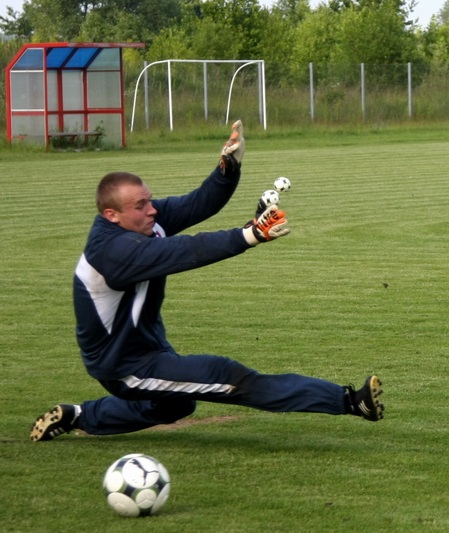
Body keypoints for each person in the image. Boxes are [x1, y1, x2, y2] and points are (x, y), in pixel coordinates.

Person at [30, 120, 384, 441]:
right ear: (112, 215)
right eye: (140, 205)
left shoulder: (141, 221)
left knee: (176, 404)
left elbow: (198, 204)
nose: (152, 210)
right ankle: (350, 401)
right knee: (226, 375)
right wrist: (249, 235)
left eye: (149, 201)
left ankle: (80, 416)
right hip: (123, 366)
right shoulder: (113, 252)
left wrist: (227, 169)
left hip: (146, 350)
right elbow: (186, 250)